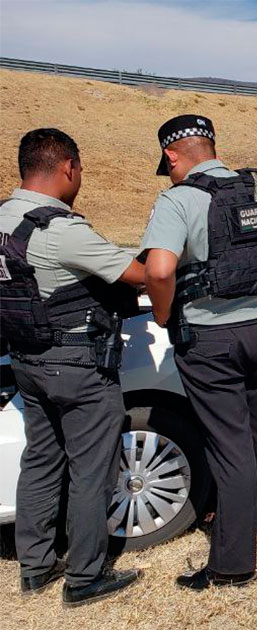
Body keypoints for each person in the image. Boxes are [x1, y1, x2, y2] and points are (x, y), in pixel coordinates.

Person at [140, 115, 257, 590]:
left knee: (229, 448)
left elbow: (160, 269)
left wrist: (165, 316)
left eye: (165, 166)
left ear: (172, 156)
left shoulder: (178, 199)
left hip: (211, 341)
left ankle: (232, 566)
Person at [0, 128, 145, 606]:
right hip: (78, 364)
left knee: (40, 462)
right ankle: (85, 578)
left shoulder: (3, 219)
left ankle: (36, 566)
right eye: (79, 169)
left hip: (27, 359)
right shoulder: (59, 229)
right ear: (67, 167)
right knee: (91, 470)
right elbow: (138, 275)